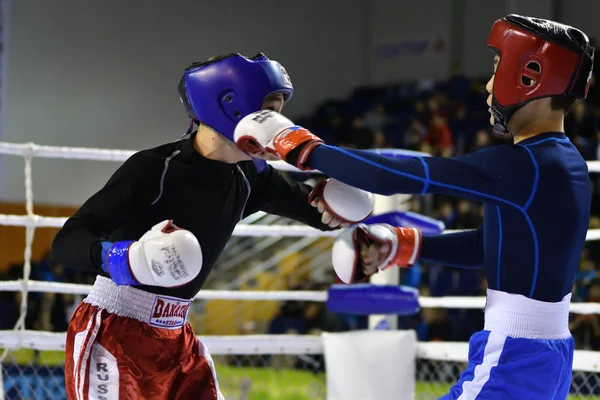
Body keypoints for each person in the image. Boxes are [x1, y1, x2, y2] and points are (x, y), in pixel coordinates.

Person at [233, 15, 594, 399]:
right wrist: (408, 245)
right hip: (547, 356)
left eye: (495, 68)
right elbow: (493, 246)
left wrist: (301, 146)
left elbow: (399, 175)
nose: (489, 86)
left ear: (528, 77)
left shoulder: (527, 165)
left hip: (514, 358)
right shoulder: (562, 162)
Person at [51, 53, 373, 399]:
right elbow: (67, 242)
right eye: (268, 111)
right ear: (230, 106)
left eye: (278, 113)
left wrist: (356, 227)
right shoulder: (155, 169)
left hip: (175, 338)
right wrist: (123, 259)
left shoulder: (252, 176)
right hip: (115, 331)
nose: (277, 125)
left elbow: (318, 213)